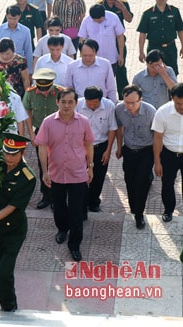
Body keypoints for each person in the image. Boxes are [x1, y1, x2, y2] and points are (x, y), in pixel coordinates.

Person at [0, 132, 36, 312]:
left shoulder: (27, 177)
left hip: (13, 231)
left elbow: (12, 206)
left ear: (22, 153)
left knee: (5, 272)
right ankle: (5, 305)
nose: (9, 157)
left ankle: (10, 307)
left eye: (13, 154)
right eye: (6, 153)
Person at [35, 88, 94, 262]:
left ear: (76, 103)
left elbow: (89, 144)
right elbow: (42, 148)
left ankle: (75, 244)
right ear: (57, 102)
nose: (66, 105)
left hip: (78, 173)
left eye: (70, 102)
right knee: (58, 207)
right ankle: (62, 229)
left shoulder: (83, 122)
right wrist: (45, 171)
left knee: (76, 211)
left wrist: (90, 166)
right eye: (63, 102)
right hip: (56, 173)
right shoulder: (48, 122)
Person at [115, 85, 156, 229]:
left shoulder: (150, 112)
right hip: (129, 150)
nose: (130, 106)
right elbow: (119, 129)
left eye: (133, 102)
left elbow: (157, 136)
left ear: (141, 99)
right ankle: (134, 208)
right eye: (127, 102)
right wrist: (119, 148)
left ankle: (139, 214)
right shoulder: (119, 109)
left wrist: (157, 159)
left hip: (146, 151)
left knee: (141, 182)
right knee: (129, 180)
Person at [23, 68, 62, 209]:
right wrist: (31, 134)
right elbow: (27, 110)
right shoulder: (31, 93)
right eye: (41, 88)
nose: (44, 91)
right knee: (43, 164)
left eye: (46, 88)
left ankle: (56, 197)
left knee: (57, 163)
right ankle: (46, 196)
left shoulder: (60, 92)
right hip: (40, 131)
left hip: (58, 131)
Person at [75, 86, 117, 215]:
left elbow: (112, 129)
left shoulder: (109, 105)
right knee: (80, 176)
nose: (92, 105)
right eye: (89, 103)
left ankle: (93, 202)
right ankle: (80, 203)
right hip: (81, 147)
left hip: (100, 147)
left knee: (98, 177)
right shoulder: (78, 105)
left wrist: (108, 150)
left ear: (101, 99)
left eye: (95, 103)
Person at [152, 83, 183, 223]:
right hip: (169, 154)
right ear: (172, 98)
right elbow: (158, 138)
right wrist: (157, 162)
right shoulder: (162, 112)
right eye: (178, 103)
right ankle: (168, 210)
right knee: (167, 184)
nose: (182, 107)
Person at [78, 4, 126, 95]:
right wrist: (82, 56)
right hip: (92, 60)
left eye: (99, 19)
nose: (98, 21)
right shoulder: (86, 21)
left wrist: (121, 55)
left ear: (104, 15)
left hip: (111, 58)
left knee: (108, 85)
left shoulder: (113, 17)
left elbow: (120, 36)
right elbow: (82, 39)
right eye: (95, 20)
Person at [137, 0, 183, 76]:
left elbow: (180, 30)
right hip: (154, 48)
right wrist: (141, 52)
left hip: (170, 48)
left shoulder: (174, 11)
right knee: (154, 73)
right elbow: (142, 34)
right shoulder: (148, 14)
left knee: (172, 73)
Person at [98, 0, 134, 100]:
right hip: (104, 44)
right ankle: (105, 97)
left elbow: (129, 19)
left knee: (121, 71)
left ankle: (124, 97)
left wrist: (123, 8)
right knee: (104, 71)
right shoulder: (99, 6)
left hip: (119, 42)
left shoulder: (123, 3)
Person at [64, 39, 118, 104]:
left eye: (90, 55)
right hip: (80, 105)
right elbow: (69, 88)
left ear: (96, 53)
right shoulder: (72, 66)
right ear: (80, 53)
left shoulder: (105, 64)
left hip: (101, 104)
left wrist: (113, 104)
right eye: (85, 55)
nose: (87, 58)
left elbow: (111, 87)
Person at [0, 5, 33, 72]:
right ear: (6, 16)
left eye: (14, 19)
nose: (12, 21)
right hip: (2, 66)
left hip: (19, 65)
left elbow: (28, 51)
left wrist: (30, 71)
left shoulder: (25, 31)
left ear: (19, 16)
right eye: (9, 18)